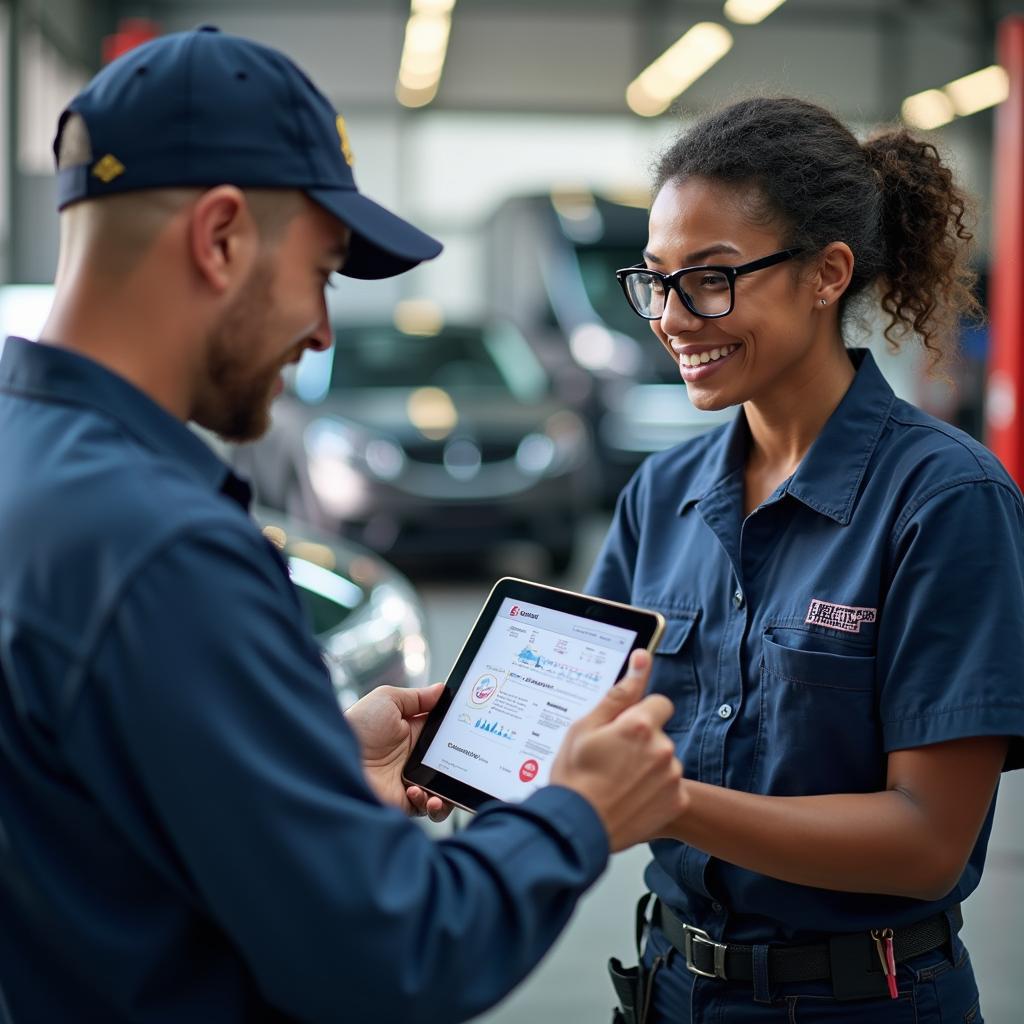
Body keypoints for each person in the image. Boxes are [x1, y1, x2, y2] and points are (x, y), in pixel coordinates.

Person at [0, 27, 689, 1024]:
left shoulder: (30, 461)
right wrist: (574, 810)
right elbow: (399, 953)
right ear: (222, 235)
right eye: (322, 272)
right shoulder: (164, 549)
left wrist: (304, 757)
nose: (323, 329)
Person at [587, 96, 1024, 1022]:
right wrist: (457, 751)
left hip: (865, 1001)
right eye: (655, 280)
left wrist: (665, 803)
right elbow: (583, 718)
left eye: (710, 279)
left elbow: (925, 843)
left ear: (827, 274)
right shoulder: (658, 497)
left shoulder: (944, 501)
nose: (671, 318)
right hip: (671, 988)